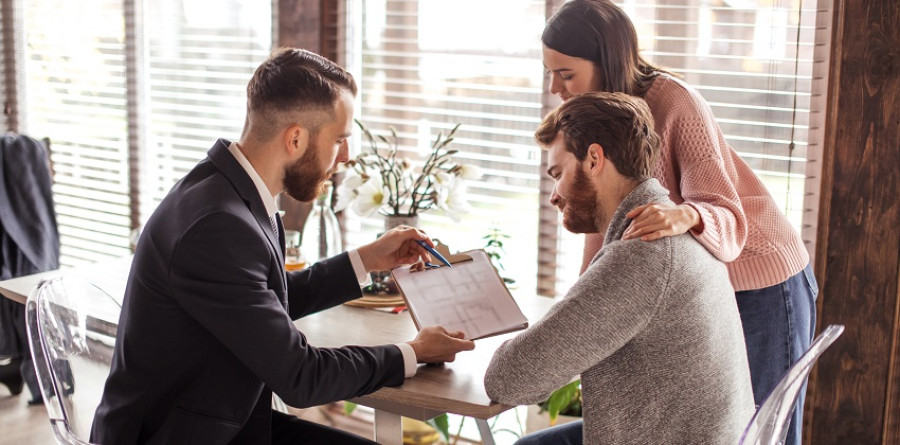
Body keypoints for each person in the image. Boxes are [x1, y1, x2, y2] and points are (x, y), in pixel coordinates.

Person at [91, 48, 475, 445]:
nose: (346, 156)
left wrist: (367, 259)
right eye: (340, 139)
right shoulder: (218, 226)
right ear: (295, 138)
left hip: (225, 424)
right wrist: (411, 352)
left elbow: (266, 296)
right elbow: (301, 377)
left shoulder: (231, 190)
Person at [540, 2, 818, 444]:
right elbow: (603, 227)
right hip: (704, 287)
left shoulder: (673, 102)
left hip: (760, 279)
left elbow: (725, 211)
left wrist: (685, 214)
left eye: (566, 74)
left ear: (606, 60)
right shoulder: (595, 122)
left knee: (761, 434)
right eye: (550, 73)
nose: (555, 87)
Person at [484, 92, 754, 444]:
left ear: (594, 159)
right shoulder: (673, 227)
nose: (554, 195)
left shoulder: (641, 254)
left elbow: (510, 378)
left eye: (558, 173)